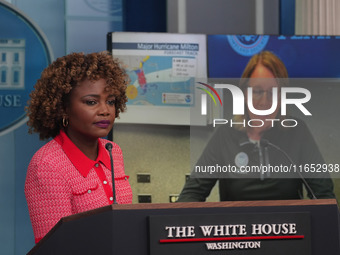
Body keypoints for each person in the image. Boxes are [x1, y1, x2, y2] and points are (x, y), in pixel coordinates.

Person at [178, 51, 335, 202]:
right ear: (245, 94)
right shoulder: (225, 135)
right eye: (258, 91)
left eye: (273, 93)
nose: (264, 102)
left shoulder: (297, 132)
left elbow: (324, 195)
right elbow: (192, 193)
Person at [24, 52, 133, 243]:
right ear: (63, 108)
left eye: (111, 101)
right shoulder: (47, 166)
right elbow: (55, 248)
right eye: (91, 102)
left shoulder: (113, 151)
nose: (105, 110)